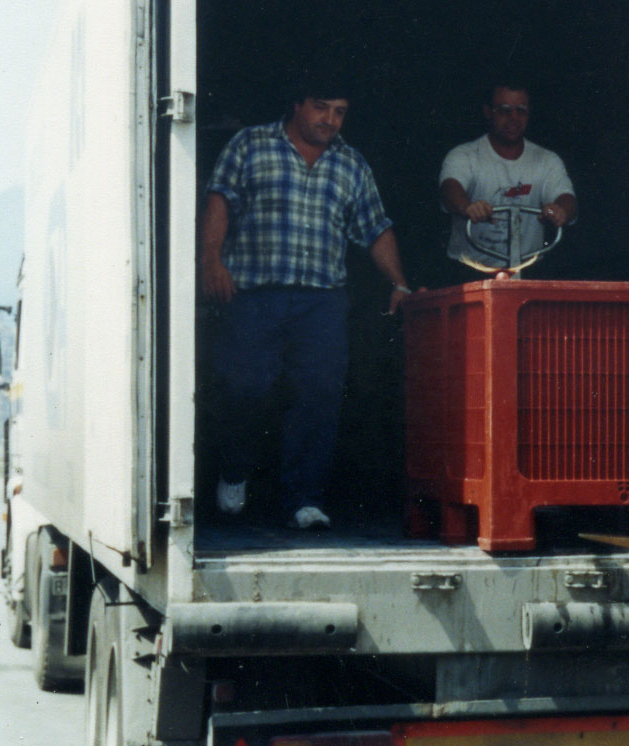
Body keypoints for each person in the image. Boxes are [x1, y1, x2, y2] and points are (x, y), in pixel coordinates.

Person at [200, 75, 411, 531]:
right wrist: (210, 261)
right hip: (254, 293)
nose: (330, 120)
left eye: (340, 112)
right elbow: (219, 201)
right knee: (244, 388)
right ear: (297, 104)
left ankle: (304, 499)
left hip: (321, 300)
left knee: (320, 395)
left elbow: (375, 227)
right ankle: (234, 469)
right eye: (321, 107)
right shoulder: (250, 144)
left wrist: (399, 283)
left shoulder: (351, 163)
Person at [439, 83, 576, 272]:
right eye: (504, 110)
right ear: (488, 112)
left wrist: (558, 211)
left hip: (527, 270)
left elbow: (567, 199)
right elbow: (449, 189)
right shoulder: (464, 155)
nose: (513, 118)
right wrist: (467, 207)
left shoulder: (547, 160)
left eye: (521, 110)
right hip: (470, 271)